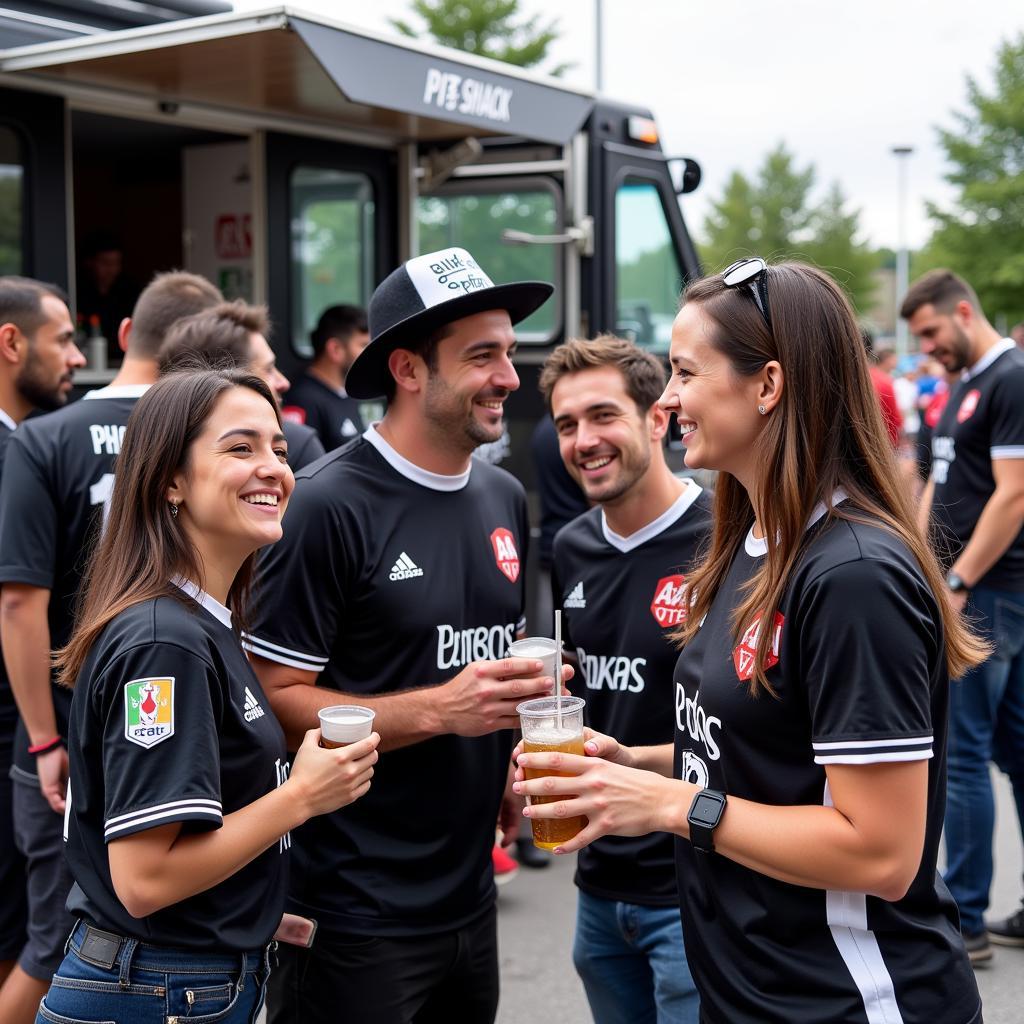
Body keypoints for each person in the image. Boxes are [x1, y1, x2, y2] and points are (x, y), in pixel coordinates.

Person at [513, 258, 988, 1024]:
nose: (667, 398)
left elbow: (882, 854)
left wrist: (671, 805)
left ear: (767, 386)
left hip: (846, 1003)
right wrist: (626, 766)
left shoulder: (853, 574)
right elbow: (769, 753)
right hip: (748, 994)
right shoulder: (753, 540)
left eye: (684, 372)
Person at [245, 246, 562, 1024]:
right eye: (482, 356)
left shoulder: (500, 492)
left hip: (470, 896)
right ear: (409, 370)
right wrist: (438, 712)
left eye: (510, 353)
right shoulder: (325, 505)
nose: (509, 379)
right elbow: (266, 701)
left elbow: (485, 668)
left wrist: (514, 752)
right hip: (354, 912)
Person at [35, 368, 378, 1024]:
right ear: (170, 480)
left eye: (279, 449)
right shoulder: (165, 642)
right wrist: (302, 796)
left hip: (179, 982)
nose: (274, 468)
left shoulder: (198, 623)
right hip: (161, 989)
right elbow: (144, 882)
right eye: (240, 448)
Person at [0, 270, 220, 1024]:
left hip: (69, 730)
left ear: (127, 335)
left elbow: (20, 601)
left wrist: (41, 738)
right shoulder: (202, 440)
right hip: (179, 723)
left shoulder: (44, 436)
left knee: (57, 933)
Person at [540, 334, 711, 1024]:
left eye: (603, 415)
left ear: (657, 419)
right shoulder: (571, 545)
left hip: (693, 890)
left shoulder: (727, 537)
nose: (585, 440)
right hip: (597, 892)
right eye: (567, 425)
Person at [902, 269, 1024, 962]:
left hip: (988, 596)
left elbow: (1013, 496)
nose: (926, 349)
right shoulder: (960, 387)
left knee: (967, 757)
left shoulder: (1009, 379)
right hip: (971, 589)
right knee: (1011, 752)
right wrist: (917, 557)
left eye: (930, 333)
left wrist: (954, 582)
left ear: (964, 310)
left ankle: (967, 921)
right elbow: (938, 484)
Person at [0, 277, 84, 990]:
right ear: (10, 343)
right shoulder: (17, 455)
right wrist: (43, 740)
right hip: (14, 733)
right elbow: (18, 605)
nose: (77, 358)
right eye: (63, 340)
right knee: (32, 939)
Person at [158, 301, 325, 471]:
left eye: (279, 452)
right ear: (229, 377)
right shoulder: (298, 443)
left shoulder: (151, 442)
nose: (284, 383)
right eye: (268, 369)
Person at [282, 304, 370, 450]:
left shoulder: (348, 393)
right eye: (364, 345)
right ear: (335, 349)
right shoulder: (303, 399)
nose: (370, 354)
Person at [862, 334, 901, 448]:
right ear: (888, 359)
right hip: (884, 441)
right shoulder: (885, 381)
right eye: (895, 358)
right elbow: (895, 419)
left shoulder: (866, 376)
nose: (897, 361)